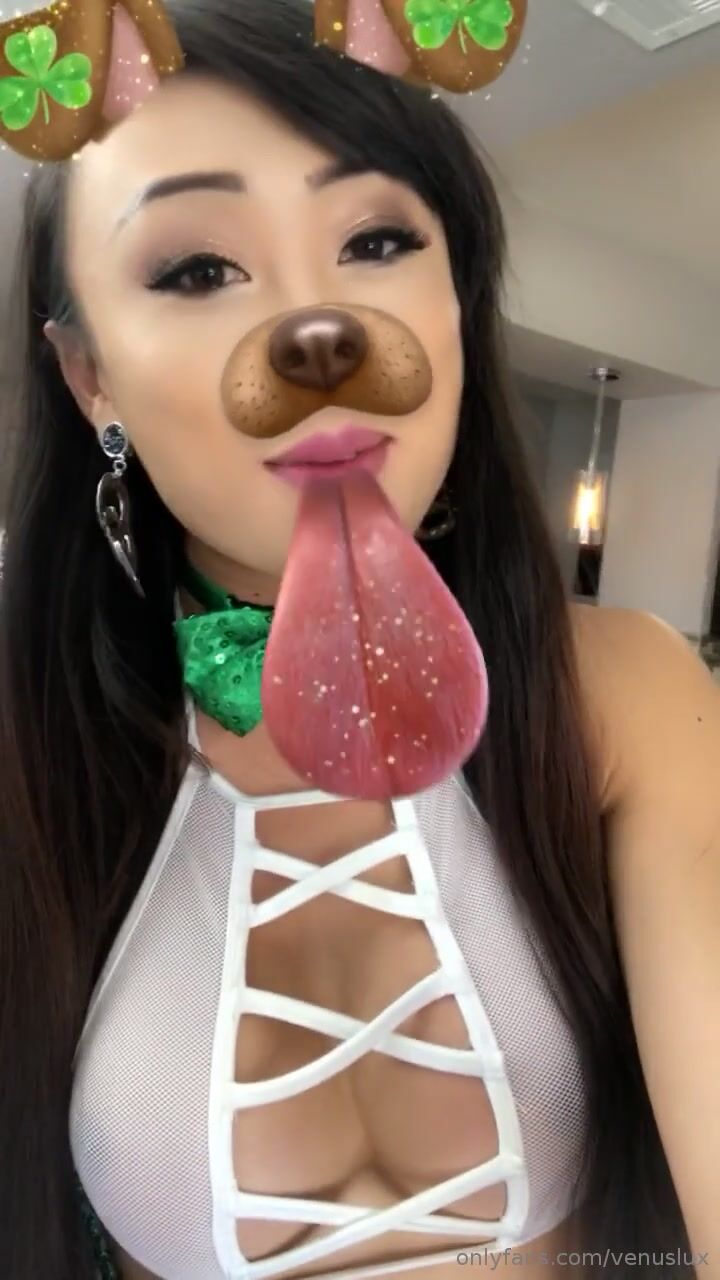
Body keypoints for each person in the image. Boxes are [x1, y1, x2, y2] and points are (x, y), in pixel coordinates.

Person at [1, 1, 718, 1278]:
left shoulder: (624, 697)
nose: (316, 332)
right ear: (88, 374)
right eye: (196, 269)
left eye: (376, 239)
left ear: (458, 303)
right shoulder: (26, 754)